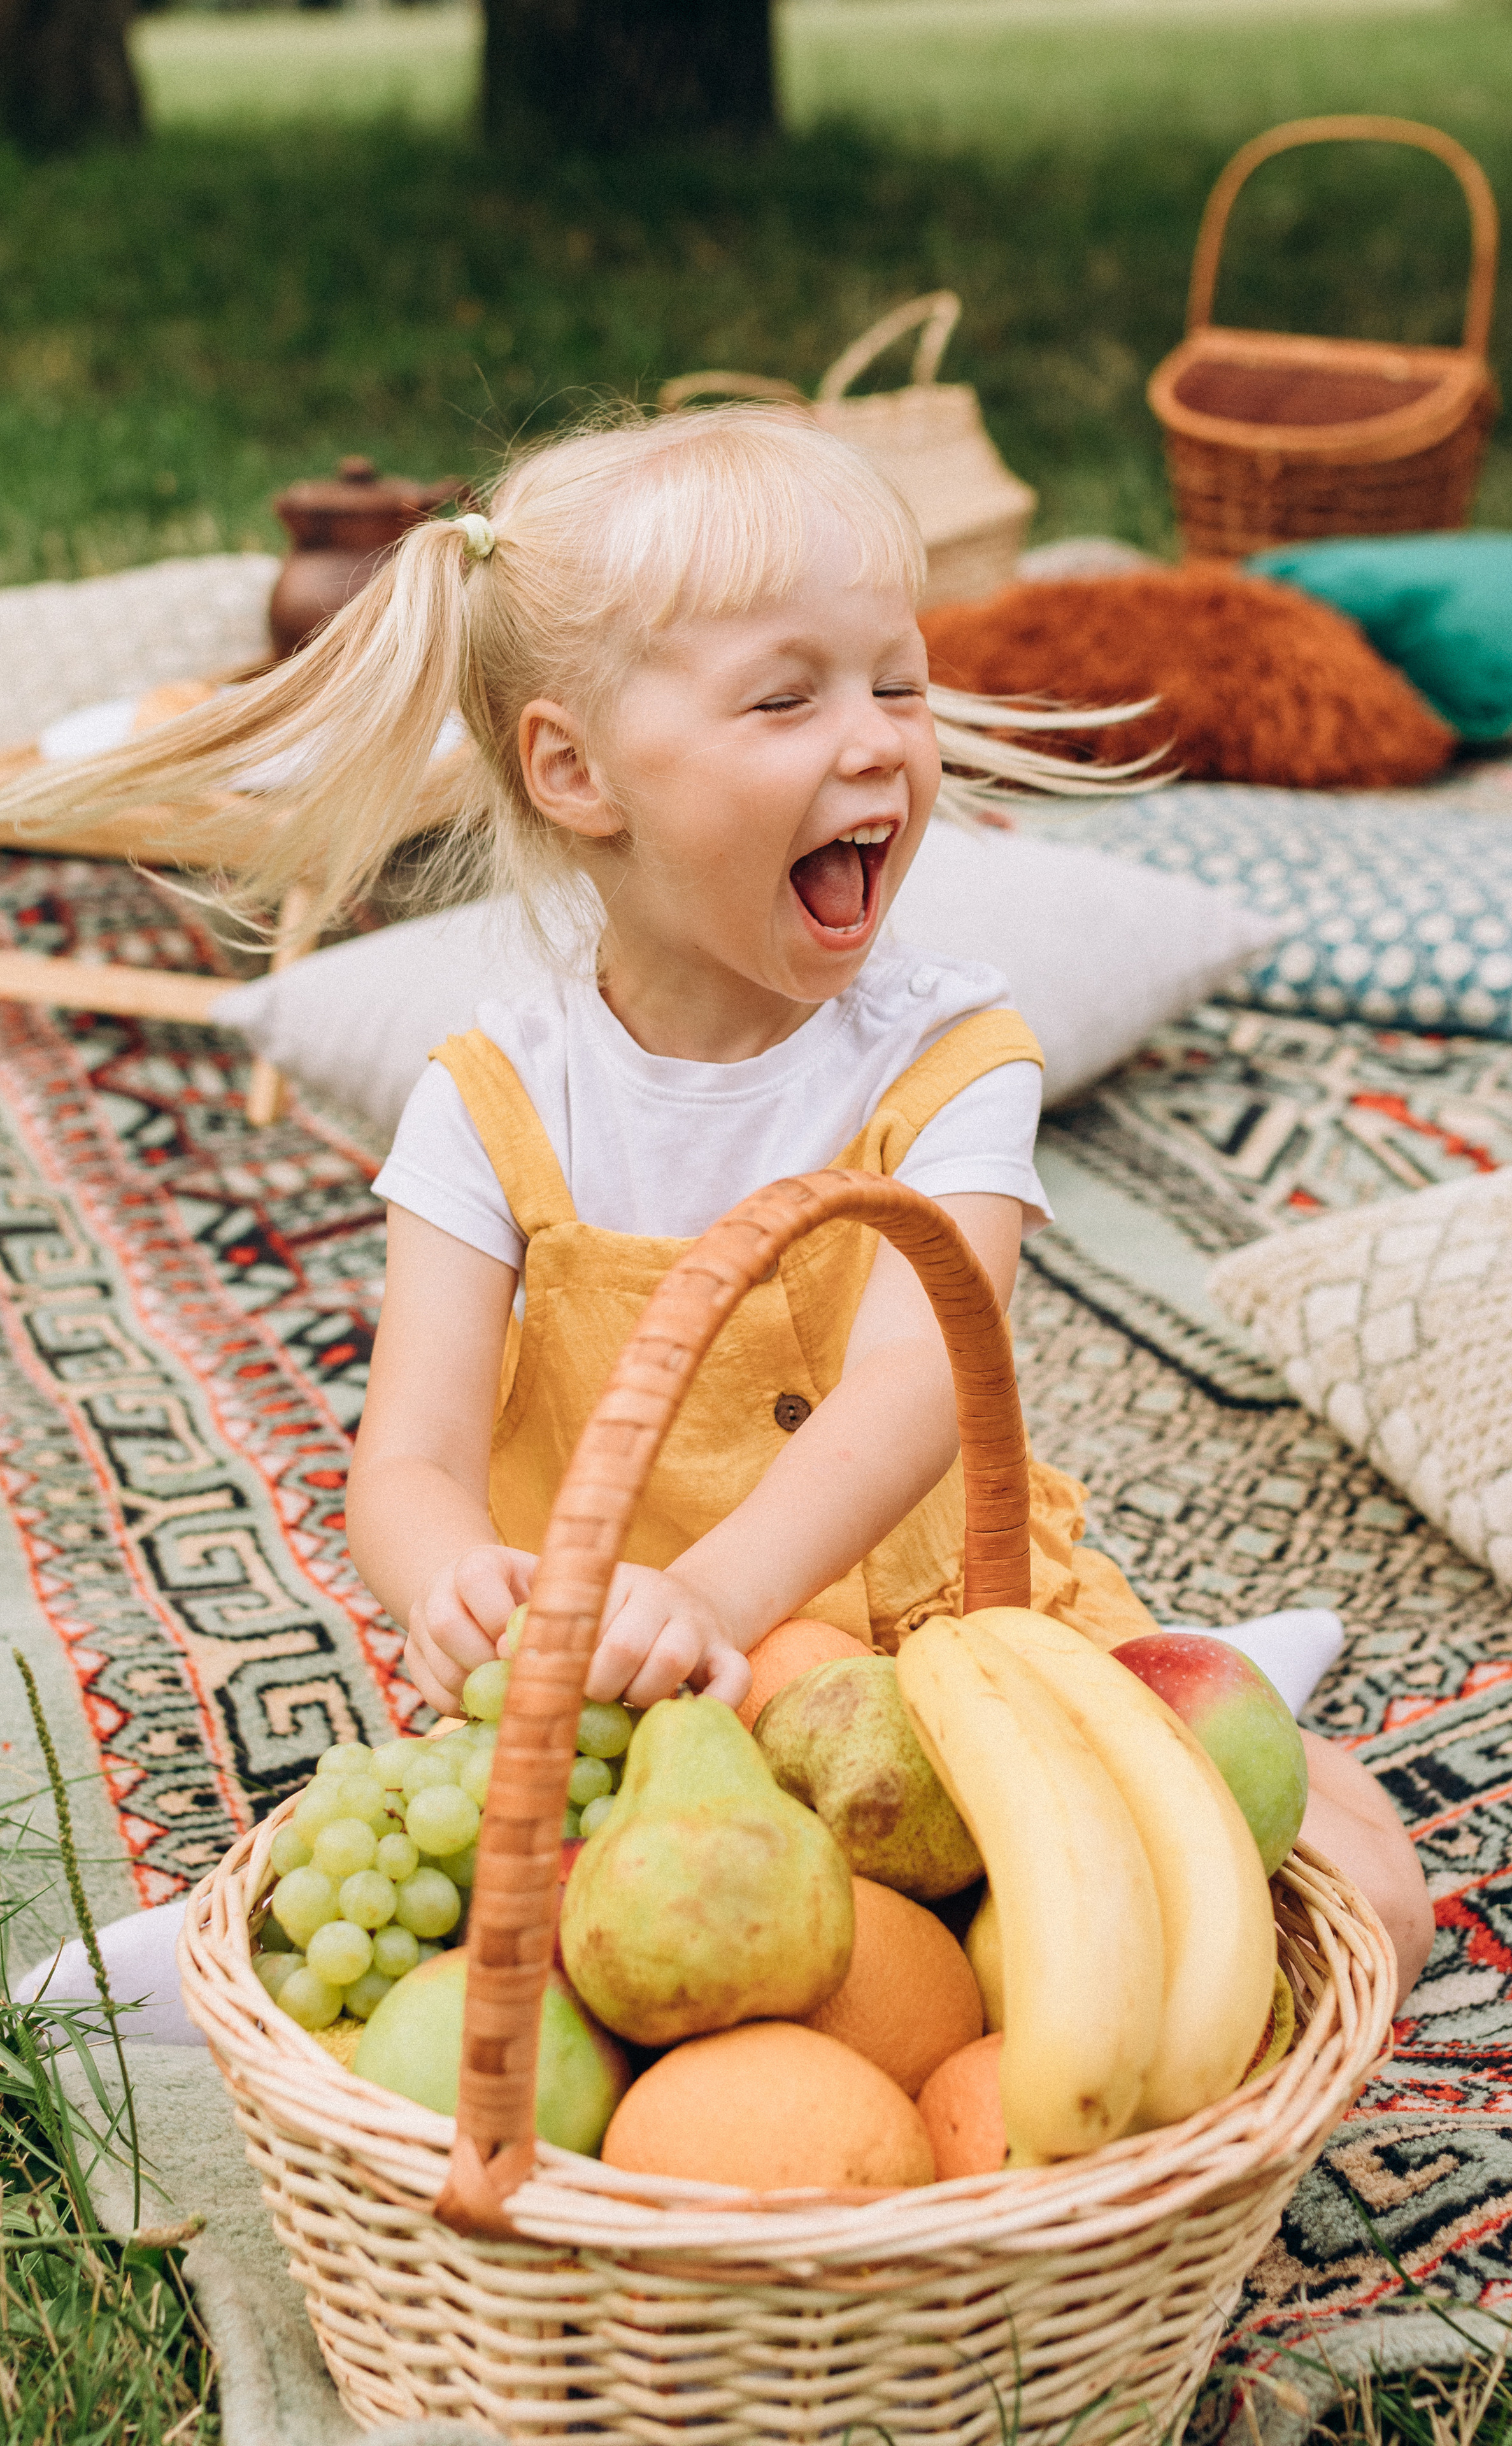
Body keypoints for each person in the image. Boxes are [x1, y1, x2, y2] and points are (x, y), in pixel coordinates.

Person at [6, 408, 1432, 2005]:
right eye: (783, 696)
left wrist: (720, 1598)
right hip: (645, 1705)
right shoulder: (490, 1102)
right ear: (574, 769)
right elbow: (402, 1460)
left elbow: (913, 1386)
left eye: (895, 679)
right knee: (613, 1994)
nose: (876, 737)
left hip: (952, 1651)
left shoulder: (952, 1059)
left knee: (1367, 1898)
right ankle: (206, 1992)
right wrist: (449, 1581)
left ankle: (1226, 1679)